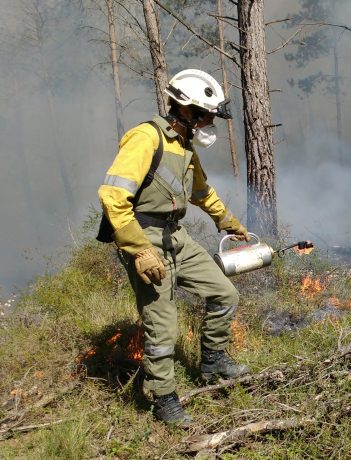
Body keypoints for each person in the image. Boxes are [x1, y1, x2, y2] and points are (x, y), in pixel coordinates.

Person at [98, 69, 250, 427]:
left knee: (225, 294)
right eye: (207, 114)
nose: (211, 121)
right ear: (187, 110)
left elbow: (200, 192)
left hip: (175, 236)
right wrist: (138, 250)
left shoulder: (183, 145)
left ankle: (212, 361)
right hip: (145, 238)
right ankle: (164, 398)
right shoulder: (145, 138)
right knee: (163, 325)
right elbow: (113, 195)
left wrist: (228, 222)